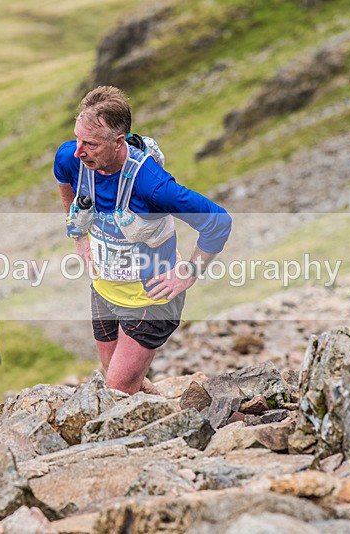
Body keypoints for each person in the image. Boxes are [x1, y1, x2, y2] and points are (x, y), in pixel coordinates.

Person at [53, 86, 232, 395]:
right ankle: (168, 412)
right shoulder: (71, 158)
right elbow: (67, 186)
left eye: (91, 144)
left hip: (153, 297)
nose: (79, 151)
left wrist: (188, 272)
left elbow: (218, 221)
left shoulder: (152, 185)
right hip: (105, 289)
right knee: (115, 374)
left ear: (118, 141)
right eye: (77, 138)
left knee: (118, 387)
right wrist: (79, 236)